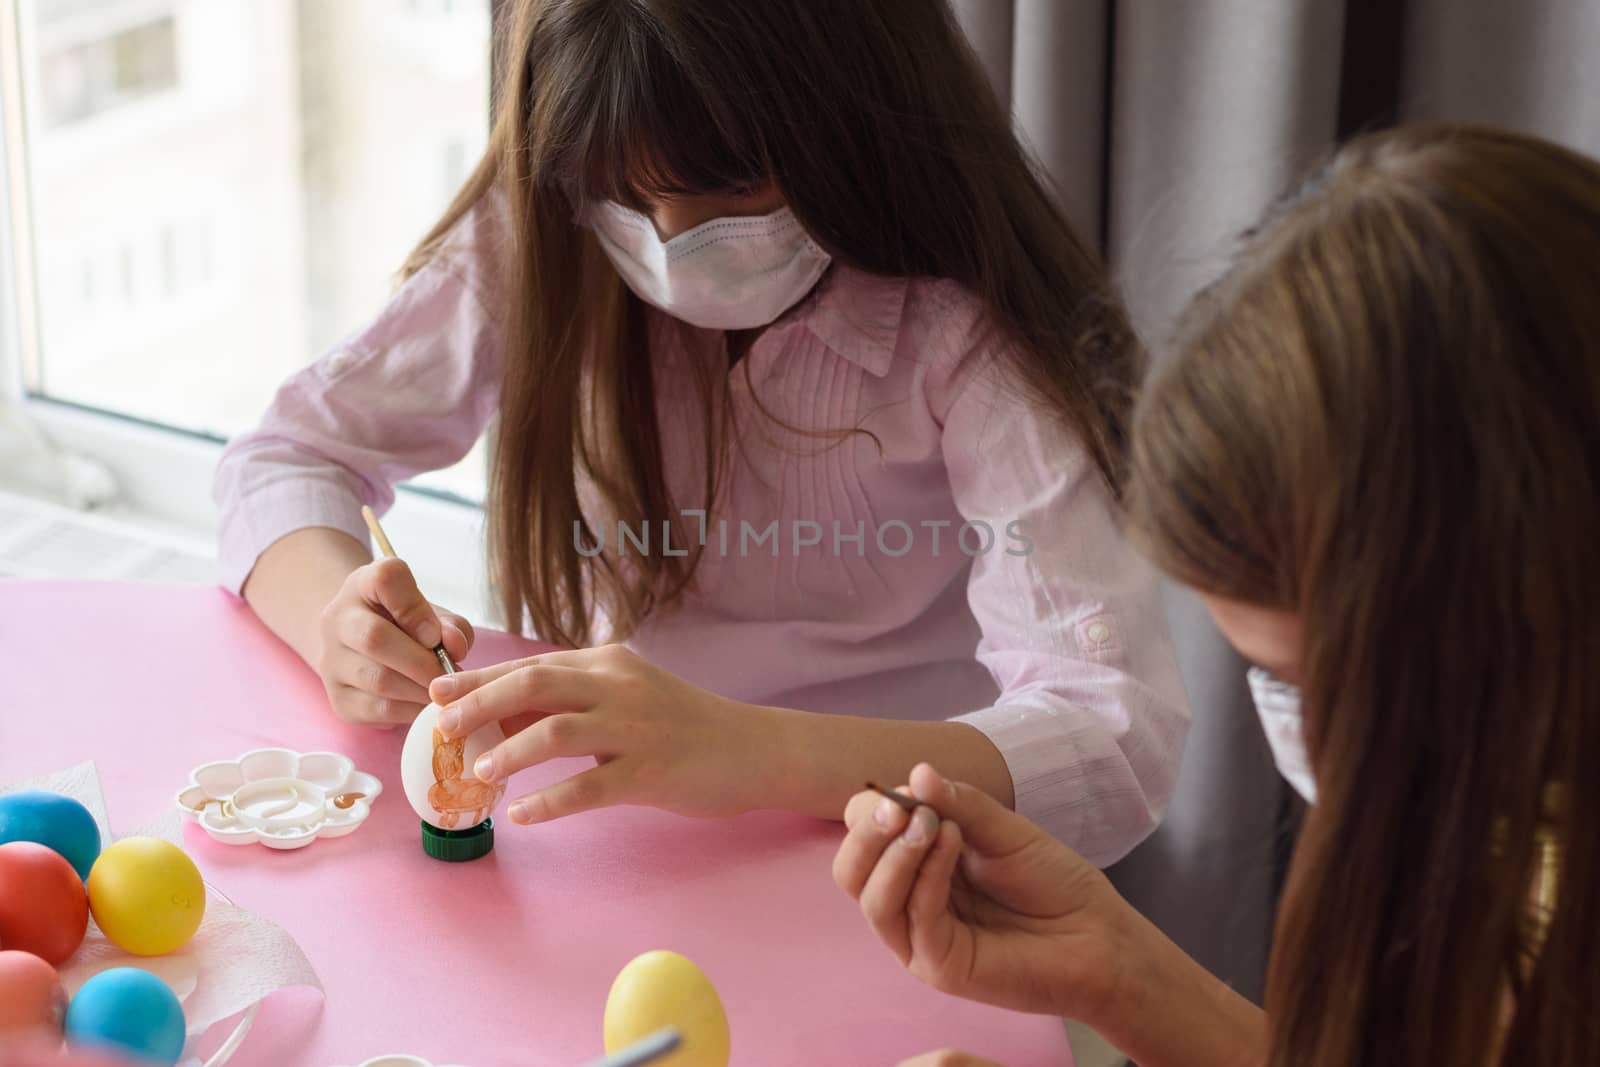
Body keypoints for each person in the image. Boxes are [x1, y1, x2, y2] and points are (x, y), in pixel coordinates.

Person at [214, 0, 1188, 858]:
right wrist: (338, 616)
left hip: (910, 843)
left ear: (852, 126)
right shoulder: (548, 233)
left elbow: (1113, 738)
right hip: (623, 837)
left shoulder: (964, 332)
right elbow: (285, 456)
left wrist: (748, 750)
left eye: (730, 189)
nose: (673, 243)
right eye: (629, 199)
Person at [835, 125, 1598, 1066]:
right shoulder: (1518, 824)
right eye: (1271, 678)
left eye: (1315, 683)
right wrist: (1114, 965)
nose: (1306, 735)